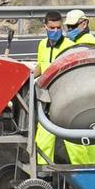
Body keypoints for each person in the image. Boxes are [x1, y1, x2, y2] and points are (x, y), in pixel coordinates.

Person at [47, 9, 95, 166]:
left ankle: (85, 175)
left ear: (83, 23)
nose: (69, 31)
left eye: (72, 27)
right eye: (68, 27)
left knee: (76, 141)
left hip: (80, 96)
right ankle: (92, 173)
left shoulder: (87, 43)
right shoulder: (77, 42)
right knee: (87, 143)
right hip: (83, 96)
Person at [33, 10, 67, 165]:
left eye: (58, 28)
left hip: (66, 99)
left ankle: (89, 174)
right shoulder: (42, 45)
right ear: (45, 26)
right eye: (52, 28)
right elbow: (42, 66)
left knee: (76, 145)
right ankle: (43, 175)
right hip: (47, 99)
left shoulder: (69, 46)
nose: (55, 31)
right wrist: (28, 76)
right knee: (43, 140)